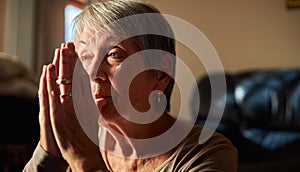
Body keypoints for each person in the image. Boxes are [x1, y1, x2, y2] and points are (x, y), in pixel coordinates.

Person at [23, 0, 238, 171]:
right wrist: (49, 152)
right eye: (86, 58)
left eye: (114, 55)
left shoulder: (207, 153)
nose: (94, 74)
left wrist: (84, 162)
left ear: (161, 73)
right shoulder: (73, 135)